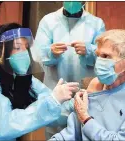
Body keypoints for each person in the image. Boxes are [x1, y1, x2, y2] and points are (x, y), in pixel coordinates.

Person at [50, 29, 125, 141]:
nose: (98, 62)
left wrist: (85, 118)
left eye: (105, 56)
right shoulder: (94, 87)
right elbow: (71, 133)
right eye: (97, 55)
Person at [0, 23, 79, 140]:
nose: (24, 53)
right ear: (1, 52)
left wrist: (73, 105)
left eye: (26, 47)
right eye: (17, 48)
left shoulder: (21, 78)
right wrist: (53, 101)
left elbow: (51, 108)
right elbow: (3, 127)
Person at [34, 1, 105, 138]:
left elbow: (104, 55)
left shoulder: (96, 23)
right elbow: (37, 55)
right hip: (55, 87)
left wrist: (89, 50)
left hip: (85, 89)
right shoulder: (48, 21)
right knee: (55, 130)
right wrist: (50, 52)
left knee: (84, 129)